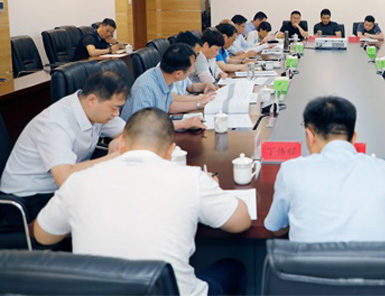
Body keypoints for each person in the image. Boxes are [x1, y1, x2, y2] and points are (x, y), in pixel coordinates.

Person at [34, 108, 251, 296]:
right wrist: (212, 187)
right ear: (170, 151)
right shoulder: (192, 179)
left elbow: (43, 235)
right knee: (234, 268)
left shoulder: (78, 181)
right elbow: (240, 222)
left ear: (121, 145)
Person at [264, 96, 385, 242]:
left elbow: (276, 228)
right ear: (354, 137)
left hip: (307, 279)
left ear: (309, 135)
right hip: (373, 280)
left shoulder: (291, 172)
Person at [0, 70, 127, 223]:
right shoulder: (56, 122)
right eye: (114, 108)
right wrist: (113, 157)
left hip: (58, 187)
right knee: (107, 211)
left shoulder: (95, 111)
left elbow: (130, 133)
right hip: (29, 198)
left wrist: (118, 141)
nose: (117, 114)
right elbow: (65, 177)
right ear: (92, 100)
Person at [120, 43, 206, 130]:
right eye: (189, 71)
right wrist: (183, 124)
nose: (189, 74)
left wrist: (199, 105)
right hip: (137, 134)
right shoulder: (146, 87)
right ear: (178, 74)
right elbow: (143, 125)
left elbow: (169, 107)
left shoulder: (165, 77)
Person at [171, 31, 218, 100]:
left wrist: (205, 85)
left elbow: (191, 86)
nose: (196, 59)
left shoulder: (182, 65)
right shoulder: (169, 67)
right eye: (196, 54)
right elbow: (174, 99)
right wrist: (200, 99)